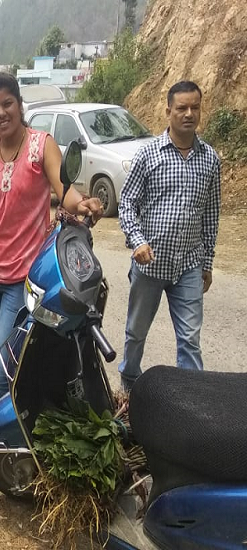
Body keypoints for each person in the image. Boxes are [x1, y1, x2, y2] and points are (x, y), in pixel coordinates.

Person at [0, 72, 102, 477]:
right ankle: (2, 451)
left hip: (23, 279)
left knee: (4, 366)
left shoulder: (42, 146)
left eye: (7, 103)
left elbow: (65, 188)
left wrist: (82, 203)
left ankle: (13, 445)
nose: (1, 112)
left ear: (19, 105)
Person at [117, 80, 220, 391]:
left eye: (194, 107)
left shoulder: (210, 160)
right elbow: (126, 203)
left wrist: (208, 262)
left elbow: (211, 215)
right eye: (181, 108)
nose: (188, 114)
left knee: (190, 339)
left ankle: (190, 399)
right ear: (168, 112)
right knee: (136, 333)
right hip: (150, 266)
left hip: (188, 264)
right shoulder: (148, 154)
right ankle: (130, 387)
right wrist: (137, 241)